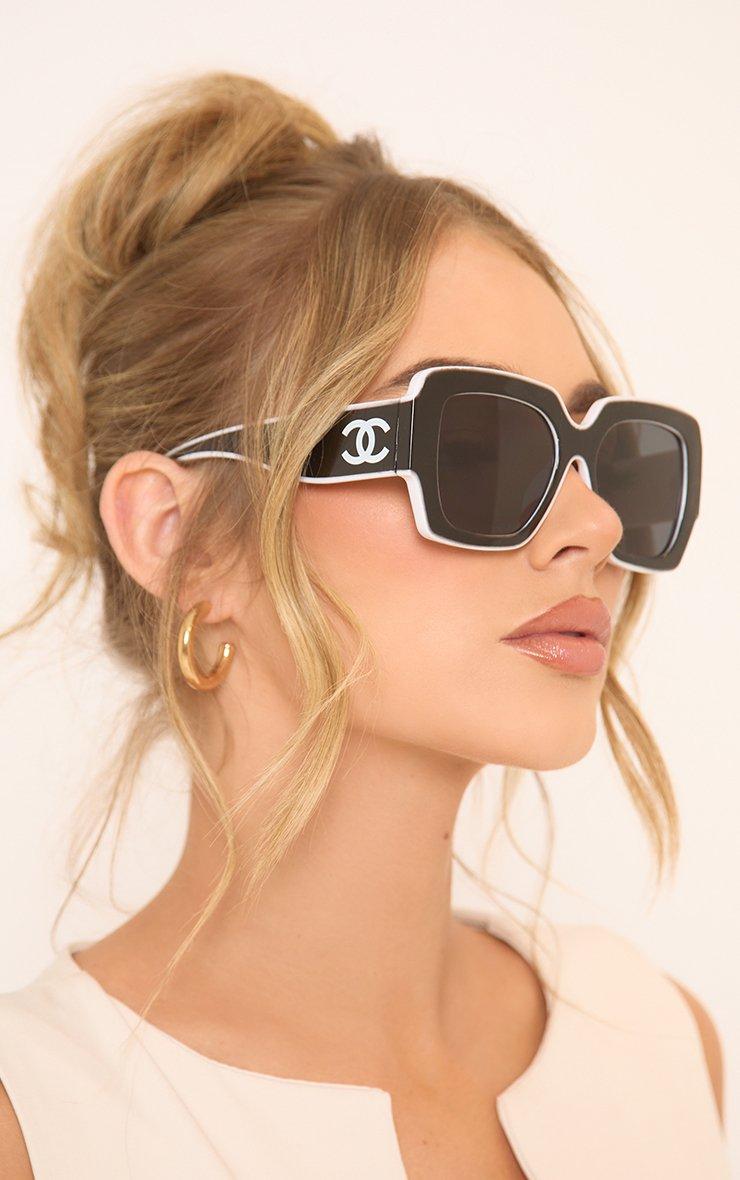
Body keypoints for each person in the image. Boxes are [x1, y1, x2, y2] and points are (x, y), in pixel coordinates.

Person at [0, 70, 730, 1178]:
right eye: (476, 448)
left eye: (613, 456)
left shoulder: (658, 1048)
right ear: (185, 538)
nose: (594, 524)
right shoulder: (37, 1130)